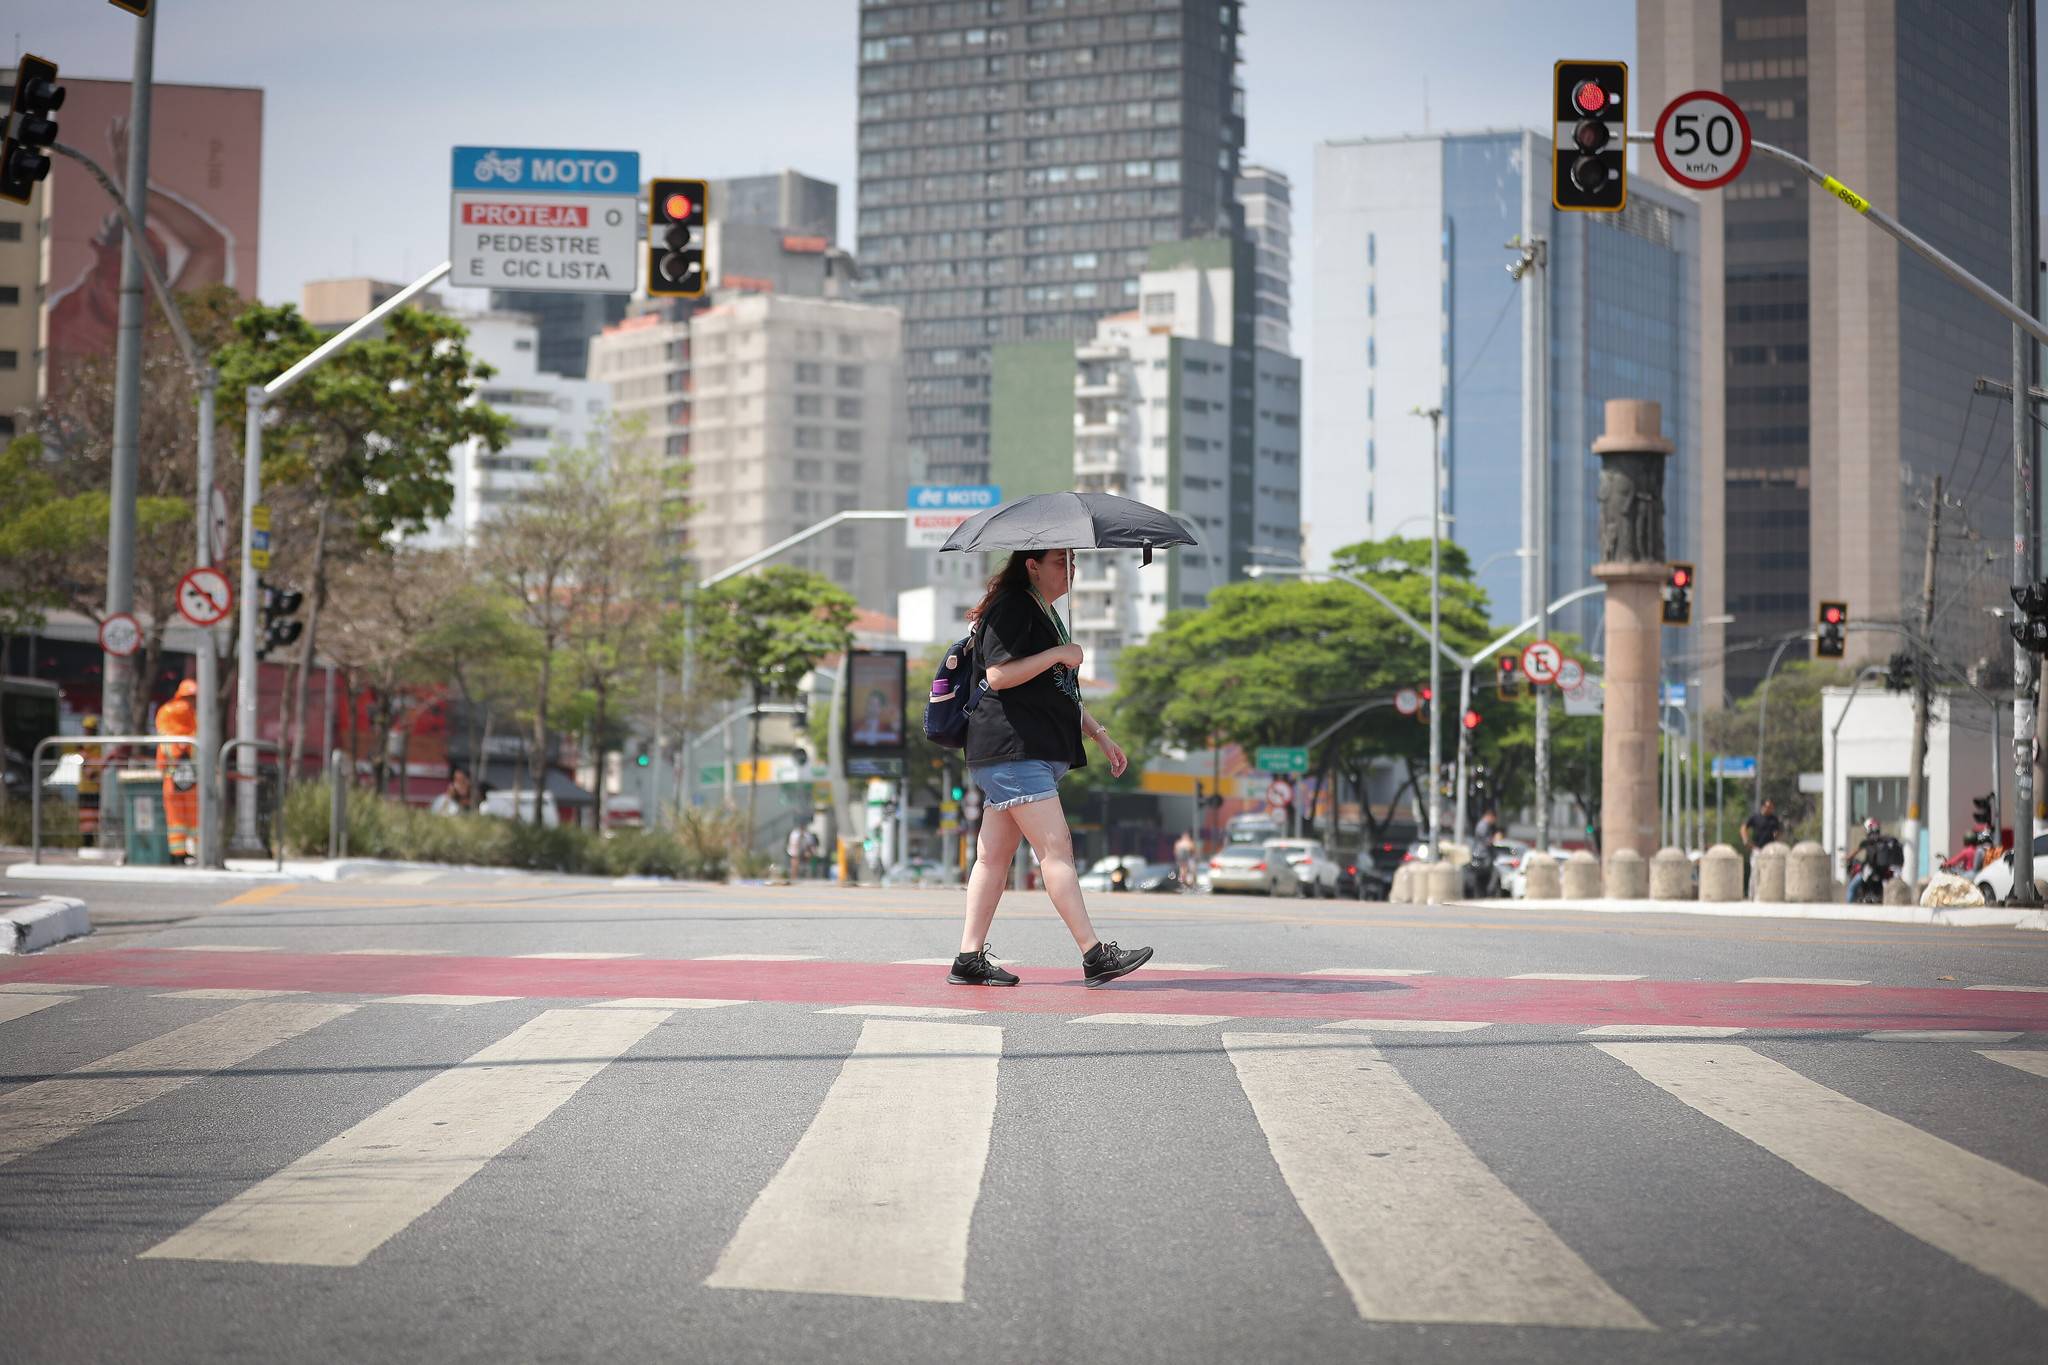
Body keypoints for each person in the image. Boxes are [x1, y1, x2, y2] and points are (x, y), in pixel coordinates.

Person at [948, 547, 1152, 988]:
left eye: (1073, 562)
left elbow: (1055, 692)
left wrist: (1099, 734)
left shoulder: (1041, 611)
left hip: (1021, 751)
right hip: (1012, 750)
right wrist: (1059, 652)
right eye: (1061, 562)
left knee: (992, 857)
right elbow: (1000, 676)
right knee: (1056, 850)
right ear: (1032, 566)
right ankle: (1094, 955)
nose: (1071, 570)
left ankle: (968, 957)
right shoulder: (1013, 607)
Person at [153, 680, 200, 864]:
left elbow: (162, 755)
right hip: (193, 781)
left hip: (171, 779)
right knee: (194, 817)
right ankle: (193, 851)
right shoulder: (194, 723)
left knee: (175, 819)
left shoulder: (166, 717)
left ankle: (178, 853)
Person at [1846, 817, 1902, 903]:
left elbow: (1852, 854)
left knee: (1851, 888)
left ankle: (1847, 910)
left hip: (1871, 871)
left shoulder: (1866, 842)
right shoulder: (1885, 841)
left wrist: (1846, 858)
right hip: (1884, 873)